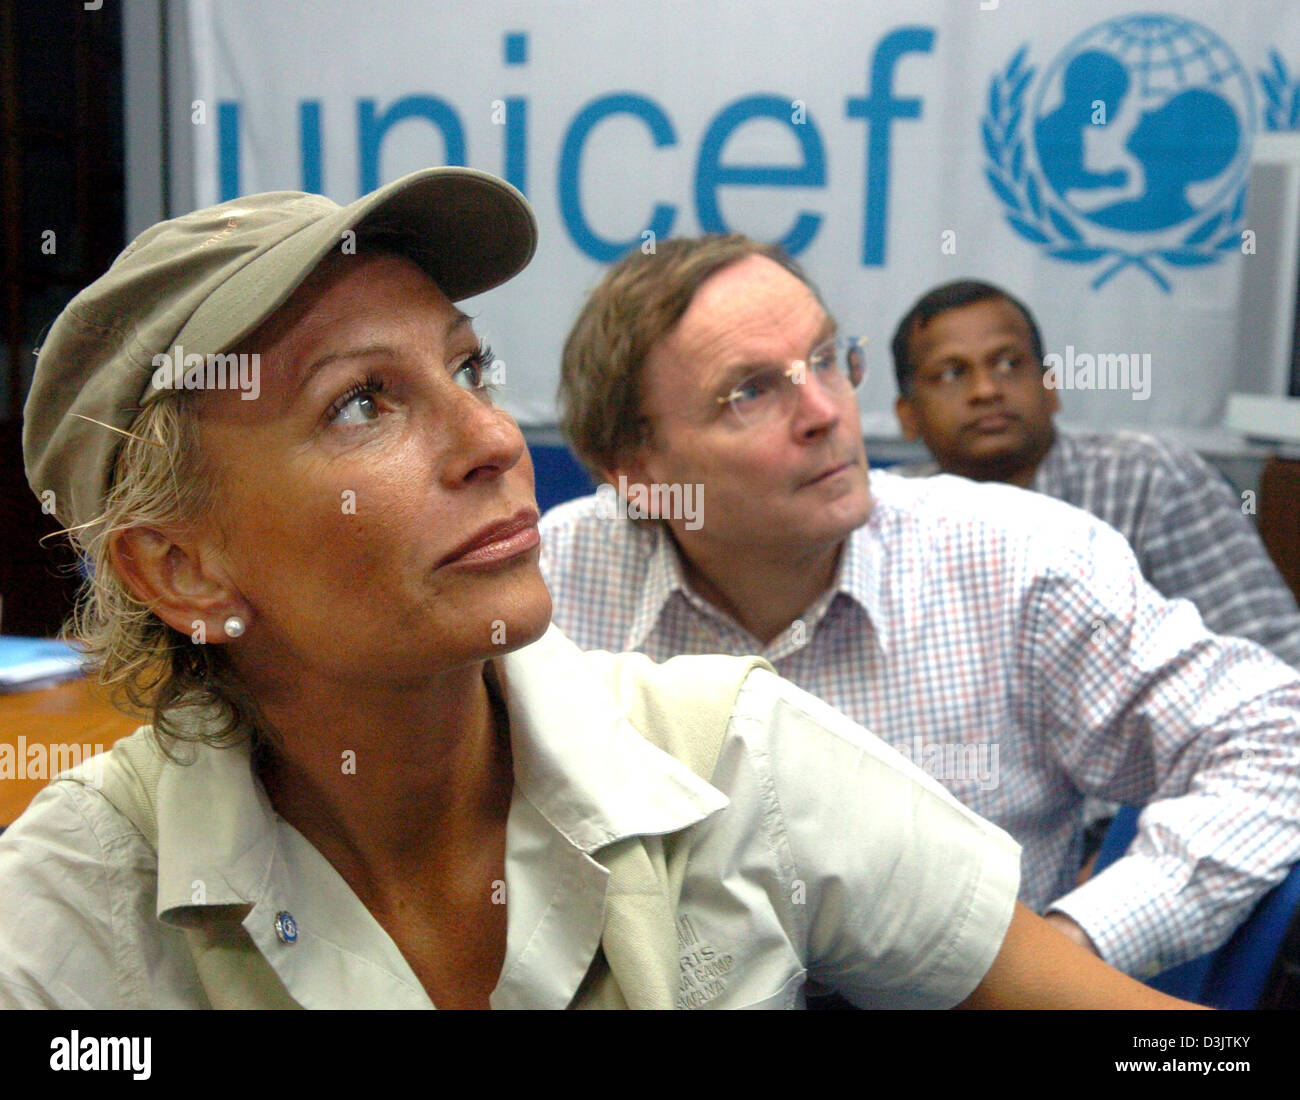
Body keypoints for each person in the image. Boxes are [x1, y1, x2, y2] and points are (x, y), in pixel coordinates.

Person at [0, 170, 1189, 1011]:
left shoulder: (727, 756)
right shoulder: (66, 911)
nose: (491, 439)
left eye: (470, 367)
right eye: (362, 401)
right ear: (179, 568)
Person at [539, 233, 1300, 980]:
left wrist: (1072, 949)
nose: (826, 412)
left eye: (829, 361)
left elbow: (1279, 739)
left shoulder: (1016, 558)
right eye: (753, 391)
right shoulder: (554, 580)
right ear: (635, 469)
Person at [891, 279, 1300, 670]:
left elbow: (1269, 658)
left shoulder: (1147, 477)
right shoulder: (890, 514)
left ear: (1051, 386)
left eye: (1009, 364)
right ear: (908, 416)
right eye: (951, 373)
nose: (986, 390)